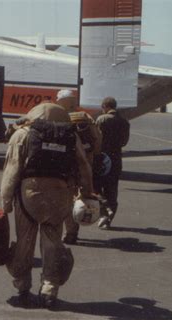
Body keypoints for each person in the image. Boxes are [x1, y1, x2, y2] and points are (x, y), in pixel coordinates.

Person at [1, 102, 93, 308]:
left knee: (24, 240)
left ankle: (22, 283)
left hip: (29, 194)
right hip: (60, 194)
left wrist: (6, 201)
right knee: (52, 242)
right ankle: (49, 288)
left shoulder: (22, 134)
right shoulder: (71, 136)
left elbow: (12, 169)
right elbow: (84, 166)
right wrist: (88, 193)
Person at [56, 89, 102, 245]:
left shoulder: (57, 117)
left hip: (63, 165)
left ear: (60, 101)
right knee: (79, 196)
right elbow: (97, 140)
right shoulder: (85, 117)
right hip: (83, 165)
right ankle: (72, 232)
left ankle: (67, 232)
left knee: (66, 199)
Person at [95, 96, 130, 229]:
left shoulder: (101, 119)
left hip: (102, 157)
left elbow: (96, 138)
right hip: (116, 159)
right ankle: (108, 218)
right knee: (112, 189)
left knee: (96, 186)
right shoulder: (124, 122)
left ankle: (103, 210)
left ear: (105, 106)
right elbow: (124, 142)